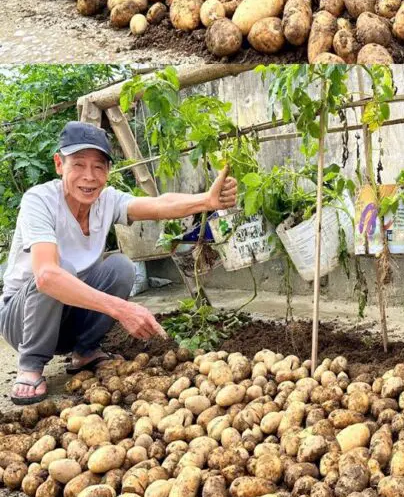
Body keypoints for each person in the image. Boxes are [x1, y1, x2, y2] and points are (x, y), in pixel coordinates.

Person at [0, 120, 238, 405]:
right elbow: (47, 277)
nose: (89, 176)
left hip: (67, 320)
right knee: (57, 271)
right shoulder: (39, 200)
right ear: (59, 164)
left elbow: (160, 204)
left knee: (121, 268)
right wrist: (122, 309)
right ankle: (31, 366)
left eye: (99, 166)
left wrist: (206, 200)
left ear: (108, 171)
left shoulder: (106, 201)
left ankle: (85, 352)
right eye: (78, 164)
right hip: (22, 321)